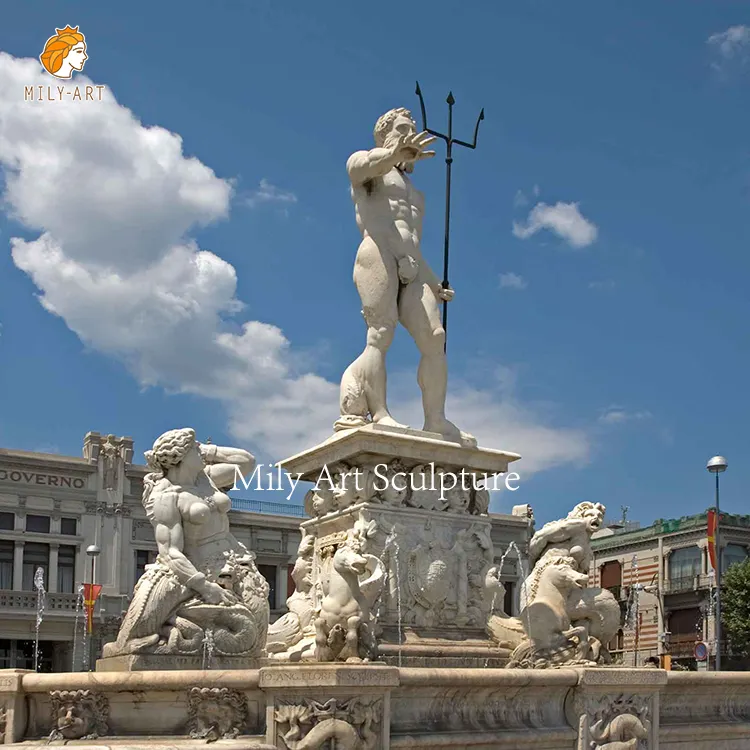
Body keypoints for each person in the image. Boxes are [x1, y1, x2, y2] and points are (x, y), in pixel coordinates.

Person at [336, 107, 475, 446]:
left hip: (411, 266)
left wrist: (434, 281)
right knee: (380, 333)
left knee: (435, 337)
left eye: (412, 129)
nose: (410, 135)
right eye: (402, 128)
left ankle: (436, 420)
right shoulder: (369, 166)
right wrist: (392, 153)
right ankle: (379, 412)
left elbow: (411, 241)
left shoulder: (414, 192)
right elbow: (357, 170)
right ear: (383, 134)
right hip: (378, 255)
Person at [103, 428, 269, 658]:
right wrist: (205, 587)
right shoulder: (165, 495)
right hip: (194, 567)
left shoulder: (206, 479)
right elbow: (170, 551)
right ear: (179, 456)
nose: (199, 450)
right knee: (141, 621)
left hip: (235, 562)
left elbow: (247, 462)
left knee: (258, 632)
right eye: (194, 448)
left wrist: (209, 449)